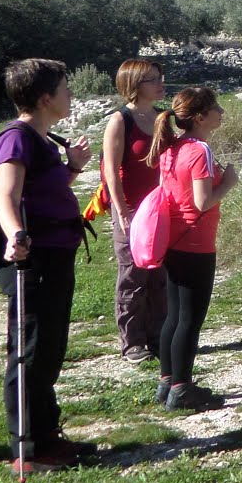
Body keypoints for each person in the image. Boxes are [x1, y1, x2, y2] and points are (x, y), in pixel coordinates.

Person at [0, 58, 93, 474]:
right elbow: (6, 196)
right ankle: (28, 450)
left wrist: (72, 169)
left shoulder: (43, 140)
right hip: (32, 259)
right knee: (30, 351)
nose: (71, 95)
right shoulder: (15, 140)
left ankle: (48, 438)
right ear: (45, 98)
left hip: (53, 255)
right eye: (66, 89)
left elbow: (44, 192)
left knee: (49, 350)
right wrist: (16, 236)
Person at [146, 86, 239, 411]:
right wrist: (228, 182)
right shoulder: (199, 150)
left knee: (174, 315)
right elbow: (201, 202)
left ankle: (167, 381)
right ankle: (183, 389)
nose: (221, 113)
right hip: (196, 243)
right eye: (216, 108)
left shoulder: (173, 147)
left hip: (173, 240)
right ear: (200, 117)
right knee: (190, 319)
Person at [100, 59, 167, 362]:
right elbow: (111, 171)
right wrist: (122, 211)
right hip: (130, 208)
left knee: (159, 274)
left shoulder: (163, 118)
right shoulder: (120, 120)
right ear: (134, 85)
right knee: (132, 273)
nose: (160, 83)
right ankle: (132, 341)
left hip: (160, 208)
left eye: (159, 77)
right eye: (153, 79)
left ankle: (157, 337)